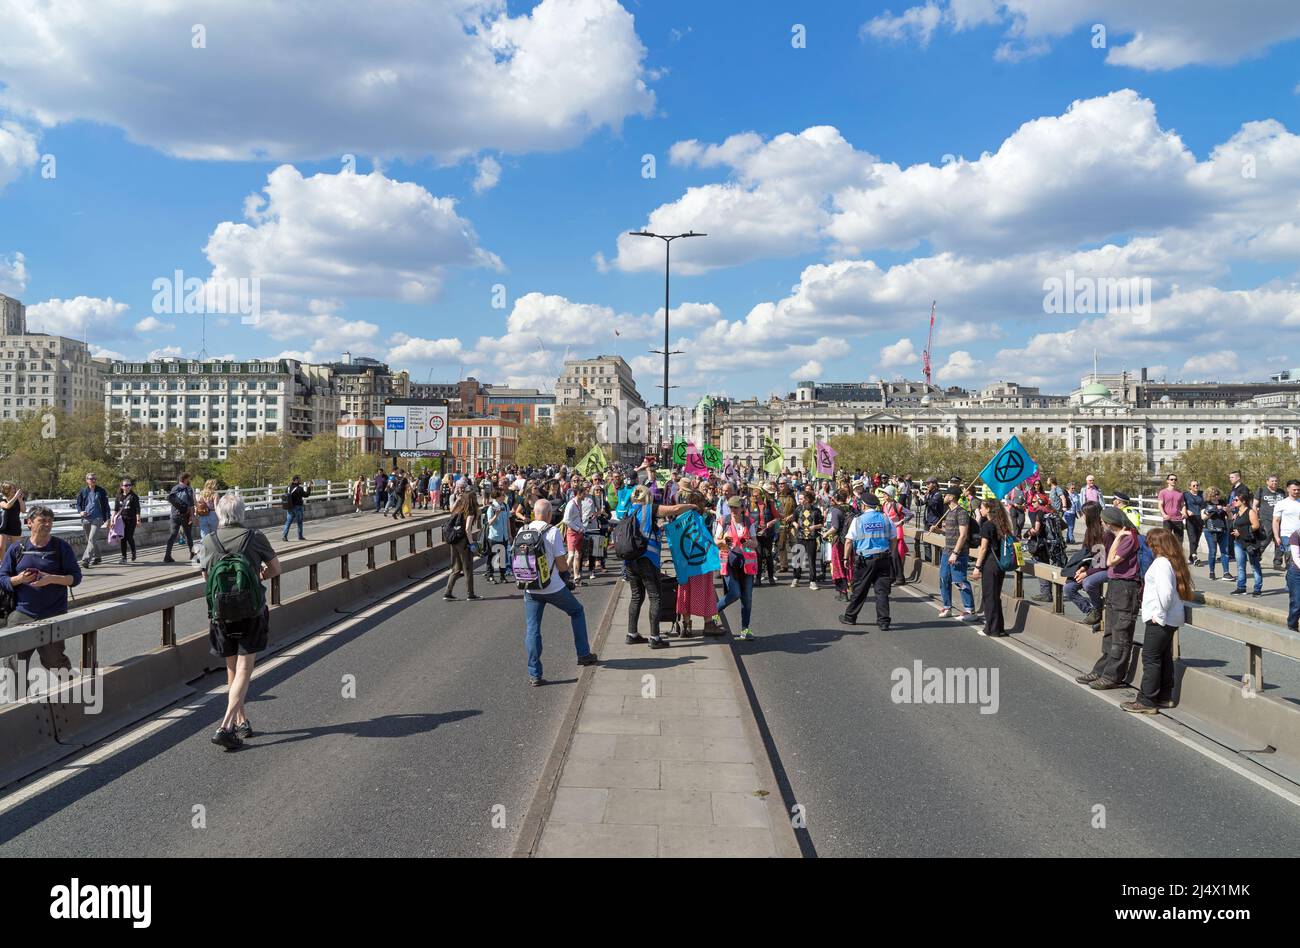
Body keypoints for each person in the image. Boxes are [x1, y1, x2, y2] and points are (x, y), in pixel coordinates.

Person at [202, 492, 281, 750]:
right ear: (242, 513)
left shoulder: (209, 540)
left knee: (232, 670)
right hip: (251, 611)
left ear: (219, 514)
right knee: (245, 670)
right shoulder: (254, 537)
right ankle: (226, 725)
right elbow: (276, 568)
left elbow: (206, 577)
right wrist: (260, 575)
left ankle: (241, 721)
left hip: (221, 614)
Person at [515, 498, 598, 686]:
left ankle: (535, 674)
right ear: (550, 515)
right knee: (576, 611)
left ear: (534, 513)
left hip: (529, 587)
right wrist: (567, 576)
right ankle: (583, 654)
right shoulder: (552, 531)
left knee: (533, 628)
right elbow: (561, 564)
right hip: (552, 587)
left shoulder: (522, 530)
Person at [0, 504, 80, 675]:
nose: (47, 524)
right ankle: (20, 701)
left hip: (53, 614)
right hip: (22, 613)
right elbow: (3, 579)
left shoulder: (60, 547)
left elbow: (75, 578)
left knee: (55, 661)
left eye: (50, 521)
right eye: (42, 520)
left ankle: (72, 696)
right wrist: (19, 579)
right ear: (29, 523)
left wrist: (51, 579)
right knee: (14, 665)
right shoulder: (17, 549)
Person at [1122, 528, 1191, 714]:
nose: (1149, 547)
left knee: (1151, 658)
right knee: (1164, 657)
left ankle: (1146, 700)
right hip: (1170, 619)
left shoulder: (1161, 563)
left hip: (1160, 618)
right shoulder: (1171, 562)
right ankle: (1165, 696)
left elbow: (1166, 593)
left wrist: (1158, 615)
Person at [623, 485, 696, 650]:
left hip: (630, 561)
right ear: (647, 497)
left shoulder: (629, 511)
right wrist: (691, 506)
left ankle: (632, 634)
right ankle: (655, 638)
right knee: (655, 597)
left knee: (636, 597)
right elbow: (674, 509)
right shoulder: (649, 509)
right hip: (647, 560)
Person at [1078, 507, 1141, 690]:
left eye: (1104, 521)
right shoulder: (1120, 537)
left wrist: (1119, 536)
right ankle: (1101, 670)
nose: (1102, 524)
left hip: (1126, 588)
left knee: (1121, 633)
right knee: (1110, 632)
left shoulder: (1128, 538)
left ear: (1110, 522)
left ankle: (1113, 676)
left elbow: (1110, 561)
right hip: (1116, 585)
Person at [838, 493, 892, 630]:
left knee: (860, 590)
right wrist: (892, 553)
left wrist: (845, 558)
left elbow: (849, 540)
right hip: (884, 558)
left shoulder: (859, 520)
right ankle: (884, 622)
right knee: (882, 592)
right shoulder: (885, 518)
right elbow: (894, 538)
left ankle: (850, 617)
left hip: (865, 560)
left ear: (864, 505)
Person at [969, 497, 1013, 637]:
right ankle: (999, 627)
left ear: (988, 509)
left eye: (982, 507)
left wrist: (977, 567)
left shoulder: (988, 525)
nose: (980, 509)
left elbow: (983, 548)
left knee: (989, 596)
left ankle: (991, 629)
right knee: (996, 596)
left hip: (990, 563)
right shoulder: (1002, 524)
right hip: (1000, 564)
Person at [716, 495, 758, 639]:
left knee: (747, 598)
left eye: (735, 507)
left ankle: (745, 630)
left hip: (746, 563)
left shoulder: (749, 522)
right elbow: (716, 540)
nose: (733, 510)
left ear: (742, 508)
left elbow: (755, 542)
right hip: (728, 562)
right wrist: (723, 541)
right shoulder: (724, 521)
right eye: (731, 507)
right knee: (734, 593)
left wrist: (750, 543)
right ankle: (713, 612)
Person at [1064, 502, 1109, 626]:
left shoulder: (1104, 532)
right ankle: (1091, 611)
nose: (1082, 517)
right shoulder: (1089, 531)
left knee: (1088, 582)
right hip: (1093, 566)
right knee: (1068, 588)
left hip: (1106, 568)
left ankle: (1097, 609)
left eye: (1084, 514)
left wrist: (1086, 573)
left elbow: (1102, 562)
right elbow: (1086, 555)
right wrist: (1083, 567)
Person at [936, 486, 975, 620]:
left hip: (958, 554)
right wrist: (939, 531)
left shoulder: (961, 512)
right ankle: (947, 607)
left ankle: (969, 610)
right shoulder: (948, 512)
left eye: (946, 495)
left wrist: (955, 553)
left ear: (952, 497)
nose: (944, 497)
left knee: (959, 581)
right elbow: (952, 532)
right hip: (947, 551)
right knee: (943, 579)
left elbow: (963, 535)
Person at [443, 492, 481, 602]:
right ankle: (470, 594)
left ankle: (448, 592)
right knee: (467, 568)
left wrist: (457, 500)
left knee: (456, 568)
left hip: (454, 540)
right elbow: (468, 529)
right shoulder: (470, 511)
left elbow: (451, 510)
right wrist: (472, 543)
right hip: (463, 542)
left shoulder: (458, 509)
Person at [1229, 489, 1264, 597]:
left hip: (1250, 543)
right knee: (1240, 566)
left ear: (1243, 501)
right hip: (1238, 542)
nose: (1234, 501)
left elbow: (1255, 525)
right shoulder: (1237, 513)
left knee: (1254, 566)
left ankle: (1257, 589)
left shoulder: (1250, 511)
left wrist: (1242, 532)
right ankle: (1241, 587)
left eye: (1236, 499)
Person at [75, 472, 110, 568]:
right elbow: (78, 504)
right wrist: (80, 512)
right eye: (91, 479)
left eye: (94, 478)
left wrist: (108, 519)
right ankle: (98, 556)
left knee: (91, 538)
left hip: (98, 518)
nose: (93, 480)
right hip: (86, 518)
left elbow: (106, 506)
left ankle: (85, 560)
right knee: (90, 540)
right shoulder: (83, 491)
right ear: (87, 480)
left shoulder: (101, 491)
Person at [791, 488, 823, 589]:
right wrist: (795, 524)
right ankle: (796, 578)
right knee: (798, 559)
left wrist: (814, 527)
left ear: (807, 499)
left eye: (801, 499)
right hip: (800, 537)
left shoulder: (816, 511)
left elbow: (822, 524)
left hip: (811, 538)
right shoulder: (798, 509)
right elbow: (793, 520)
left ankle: (812, 581)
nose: (799, 501)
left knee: (811, 560)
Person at [1201, 487, 1233, 581]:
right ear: (1209, 496)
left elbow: (1230, 517)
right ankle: (1212, 572)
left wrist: (1228, 510)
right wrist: (1213, 509)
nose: (1216, 497)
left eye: (1217, 494)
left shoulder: (1222, 502)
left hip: (1222, 530)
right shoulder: (1206, 503)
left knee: (1225, 551)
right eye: (1214, 495)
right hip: (1210, 530)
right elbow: (1203, 517)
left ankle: (1226, 573)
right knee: (1213, 551)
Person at [163, 472, 196, 564]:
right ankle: (192, 554)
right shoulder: (188, 489)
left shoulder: (174, 488)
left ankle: (167, 556)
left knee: (172, 535)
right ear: (185, 479)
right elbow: (191, 505)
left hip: (174, 516)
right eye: (188, 479)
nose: (189, 480)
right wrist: (192, 515)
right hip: (185, 515)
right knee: (188, 535)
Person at [1272, 479, 1300, 581]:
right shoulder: (1282, 503)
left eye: (1298, 490)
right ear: (1288, 489)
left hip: (1299, 535)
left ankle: (1293, 582)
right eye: (1294, 490)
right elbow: (1276, 521)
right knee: (1291, 561)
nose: (1296, 492)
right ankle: (1290, 583)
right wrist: (1276, 536)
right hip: (1287, 536)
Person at [482, 489, 511, 584]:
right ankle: (490, 575)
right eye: (502, 495)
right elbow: (489, 522)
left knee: (502, 557)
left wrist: (509, 534)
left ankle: (502, 576)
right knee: (492, 556)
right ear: (498, 496)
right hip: (494, 536)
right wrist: (496, 515)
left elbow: (508, 521)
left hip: (504, 536)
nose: (504, 497)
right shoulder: (492, 507)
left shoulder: (505, 506)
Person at [1256, 474, 1285, 569]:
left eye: (1276, 481)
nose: (1274, 482)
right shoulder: (1262, 491)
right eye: (1272, 481)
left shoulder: (1281, 492)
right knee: (1266, 538)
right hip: (1266, 519)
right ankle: (1256, 556)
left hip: (1280, 519)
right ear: (1267, 481)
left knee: (1279, 541)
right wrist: (1255, 518)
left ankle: (1277, 562)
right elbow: (1254, 505)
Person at [561, 483, 587, 585]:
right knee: (571, 555)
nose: (585, 495)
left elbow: (578, 518)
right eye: (584, 493)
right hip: (572, 532)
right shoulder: (571, 504)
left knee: (577, 555)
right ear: (579, 494)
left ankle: (576, 577)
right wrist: (577, 528)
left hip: (579, 531)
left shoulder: (579, 503)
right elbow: (566, 520)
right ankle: (564, 577)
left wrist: (582, 528)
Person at [114, 478, 141, 563]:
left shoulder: (134, 496)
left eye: (129, 485)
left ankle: (133, 552)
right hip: (121, 520)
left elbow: (137, 509)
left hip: (131, 520)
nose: (128, 487)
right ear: (122, 486)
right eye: (126, 485)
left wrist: (138, 520)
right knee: (123, 538)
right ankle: (124, 557)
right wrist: (112, 520)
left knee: (129, 537)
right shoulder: (118, 496)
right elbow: (115, 509)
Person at [1183, 479, 1206, 565]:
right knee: (1192, 538)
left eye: (1197, 485)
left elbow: (1206, 504)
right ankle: (1195, 557)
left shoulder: (1202, 494)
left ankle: (1191, 557)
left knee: (1197, 539)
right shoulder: (1185, 495)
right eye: (1194, 485)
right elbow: (1181, 505)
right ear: (1189, 487)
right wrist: (1187, 511)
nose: (1196, 487)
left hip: (1200, 519)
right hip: (1191, 519)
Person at [282, 474, 311, 541]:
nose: (300, 480)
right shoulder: (299, 488)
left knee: (288, 522)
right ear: (296, 480)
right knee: (299, 522)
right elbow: (306, 495)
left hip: (290, 507)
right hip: (298, 507)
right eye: (299, 479)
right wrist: (309, 487)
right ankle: (300, 536)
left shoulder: (288, 488)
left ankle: (284, 536)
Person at [1157, 473, 1185, 543]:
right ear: (1167, 481)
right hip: (1167, 519)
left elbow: (1183, 505)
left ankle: (1178, 554)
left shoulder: (1180, 493)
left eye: (1175, 479)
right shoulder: (1162, 492)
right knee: (1166, 540)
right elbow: (1160, 505)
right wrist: (1163, 514)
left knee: (1179, 541)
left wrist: (1184, 513)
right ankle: (1167, 554)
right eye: (1171, 479)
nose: (1173, 481)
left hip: (1178, 519)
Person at [0, 482, 24, 557]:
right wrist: (16, 496)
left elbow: (23, 510)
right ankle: (3, 565)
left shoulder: (17, 499)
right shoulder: (2, 500)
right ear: (7, 490)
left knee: (16, 548)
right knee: (1, 548)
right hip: (4, 527)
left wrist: (20, 499)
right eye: (12, 488)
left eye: (14, 488)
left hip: (15, 526)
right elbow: (7, 506)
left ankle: (15, 565)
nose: (14, 490)